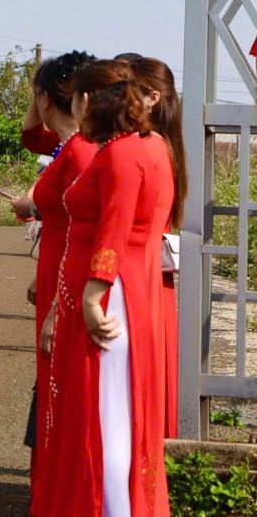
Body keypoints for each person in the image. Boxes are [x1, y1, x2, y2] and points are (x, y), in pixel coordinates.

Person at [38, 60, 179, 517]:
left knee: (107, 420)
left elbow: (114, 230)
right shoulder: (151, 145)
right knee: (116, 418)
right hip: (129, 289)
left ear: (90, 99)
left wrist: (92, 296)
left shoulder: (122, 153)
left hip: (112, 293)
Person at [1, 51, 95, 508]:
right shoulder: (68, 144)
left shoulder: (80, 149)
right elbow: (28, 136)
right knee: (52, 380)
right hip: (55, 266)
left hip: (67, 271)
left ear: (47, 96)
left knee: (61, 383)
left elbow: (87, 227)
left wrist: (62, 299)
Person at [128, 57, 187, 441]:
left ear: (151, 98)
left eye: (122, 89)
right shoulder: (163, 146)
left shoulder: (143, 149)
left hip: (134, 277)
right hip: (148, 277)